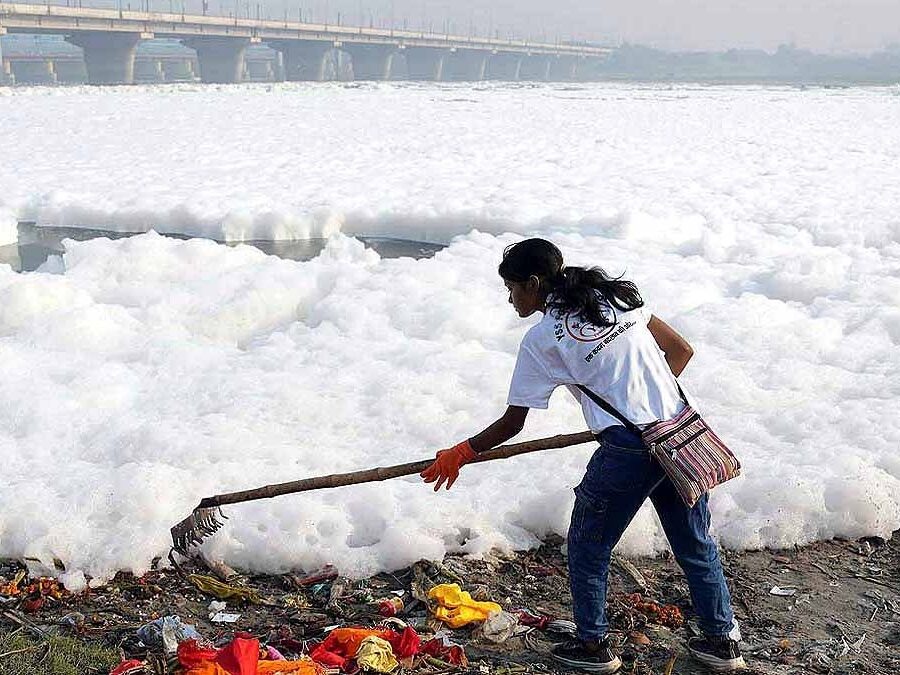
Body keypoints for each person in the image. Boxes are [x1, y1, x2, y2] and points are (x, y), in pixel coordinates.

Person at [421, 238, 746, 673]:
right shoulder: (615, 298)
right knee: (694, 542)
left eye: (513, 288)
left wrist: (462, 451)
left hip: (629, 450)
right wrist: (639, 401)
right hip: (678, 435)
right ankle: (722, 642)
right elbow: (680, 351)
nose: (511, 299)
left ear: (533, 284)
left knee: (588, 545)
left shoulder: (542, 340)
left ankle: (593, 647)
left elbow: (513, 423)